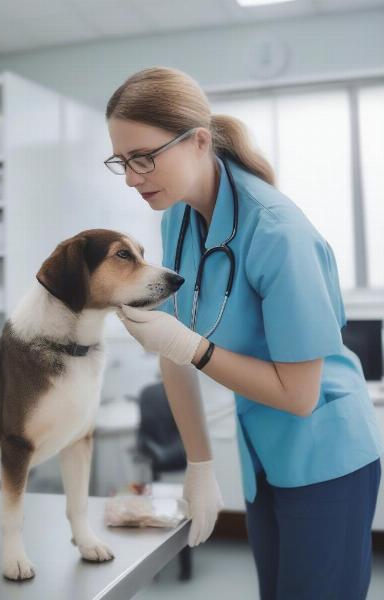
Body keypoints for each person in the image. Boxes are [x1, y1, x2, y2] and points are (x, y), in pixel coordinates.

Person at [105, 66, 384, 600]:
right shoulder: (178, 218)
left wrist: (188, 345)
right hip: (264, 459)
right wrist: (199, 462)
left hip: (327, 457)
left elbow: (299, 396)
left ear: (199, 142)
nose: (132, 177)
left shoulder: (279, 233)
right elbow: (174, 347)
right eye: (122, 161)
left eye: (144, 157)